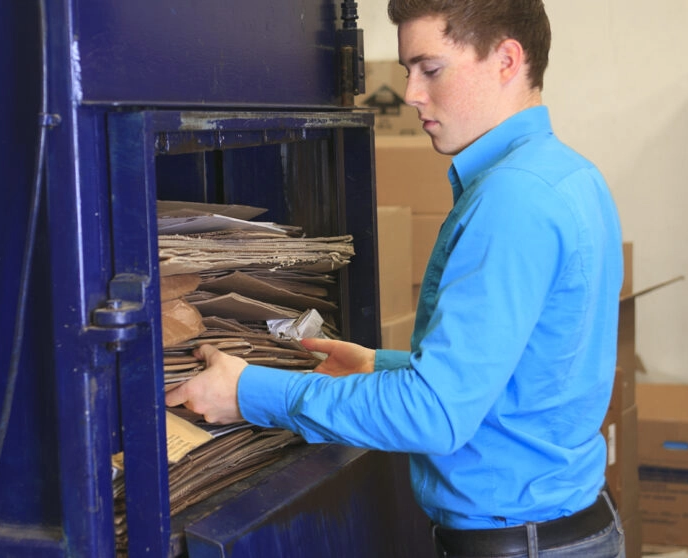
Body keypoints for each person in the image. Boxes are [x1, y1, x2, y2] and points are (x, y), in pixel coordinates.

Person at [165, 0, 625, 556]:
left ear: (507, 60)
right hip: (565, 531)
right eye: (408, 72)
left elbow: (436, 416)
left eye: (430, 69)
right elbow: (523, 374)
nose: (410, 93)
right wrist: (379, 365)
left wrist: (250, 392)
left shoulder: (512, 199)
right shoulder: (566, 174)